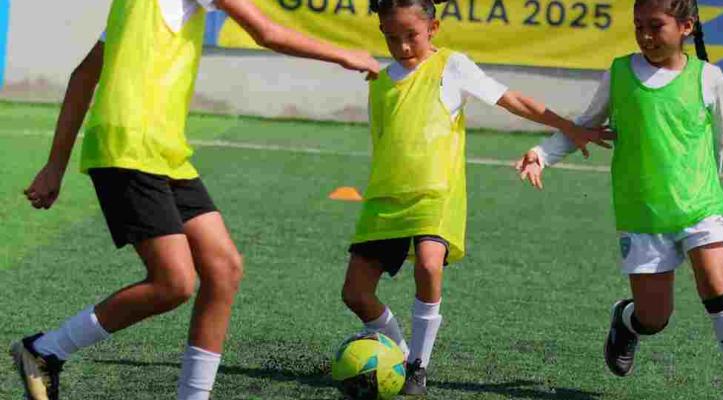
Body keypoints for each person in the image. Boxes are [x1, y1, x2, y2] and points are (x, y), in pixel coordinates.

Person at [10, 0, 380, 399]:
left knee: (224, 269)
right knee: (174, 282)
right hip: (129, 147)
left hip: (164, 153)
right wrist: (345, 53)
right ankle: (45, 350)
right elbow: (266, 32)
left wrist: (55, 165)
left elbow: (84, 74)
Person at [340, 0, 612, 395]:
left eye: (411, 36)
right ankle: (397, 354)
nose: (401, 47)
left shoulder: (452, 65)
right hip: (385, 198)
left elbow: (511, 99)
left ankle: (418, 365)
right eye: (391, 37)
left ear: (433, 28)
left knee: (429, 265)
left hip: (436, 195)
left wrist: (569, 127)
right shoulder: (379, 81)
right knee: (355, 294)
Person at [515, 1, 723, 398]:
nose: (645, 36)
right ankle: (626, 321)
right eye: (638, 26)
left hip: (700, 205)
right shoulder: (619, 73)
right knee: (654, 317)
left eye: (655, 26)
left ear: (686, 26)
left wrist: (713, 190)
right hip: (642, 210)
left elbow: (717, 141)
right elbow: (585, 125)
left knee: (717, 287)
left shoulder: (709, 76)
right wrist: (542, 154)